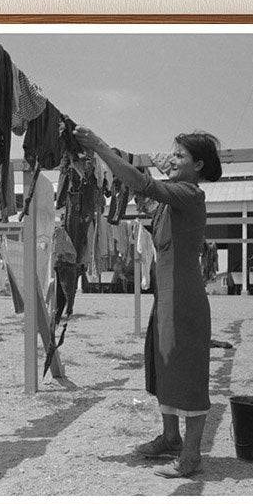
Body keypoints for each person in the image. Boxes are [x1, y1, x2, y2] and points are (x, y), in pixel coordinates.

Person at [71, 127, 222, 478]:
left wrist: (99, 147)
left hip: (184, 299)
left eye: (181, 156)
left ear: (198, 165)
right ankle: (170, 437)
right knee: (164, 363)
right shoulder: (172, 201)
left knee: (187, 373)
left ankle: (191, 455)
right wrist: (132, 162)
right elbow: (145, 193)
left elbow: (144, 186)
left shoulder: (189, 194)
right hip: (167, 295)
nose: (173, 159)